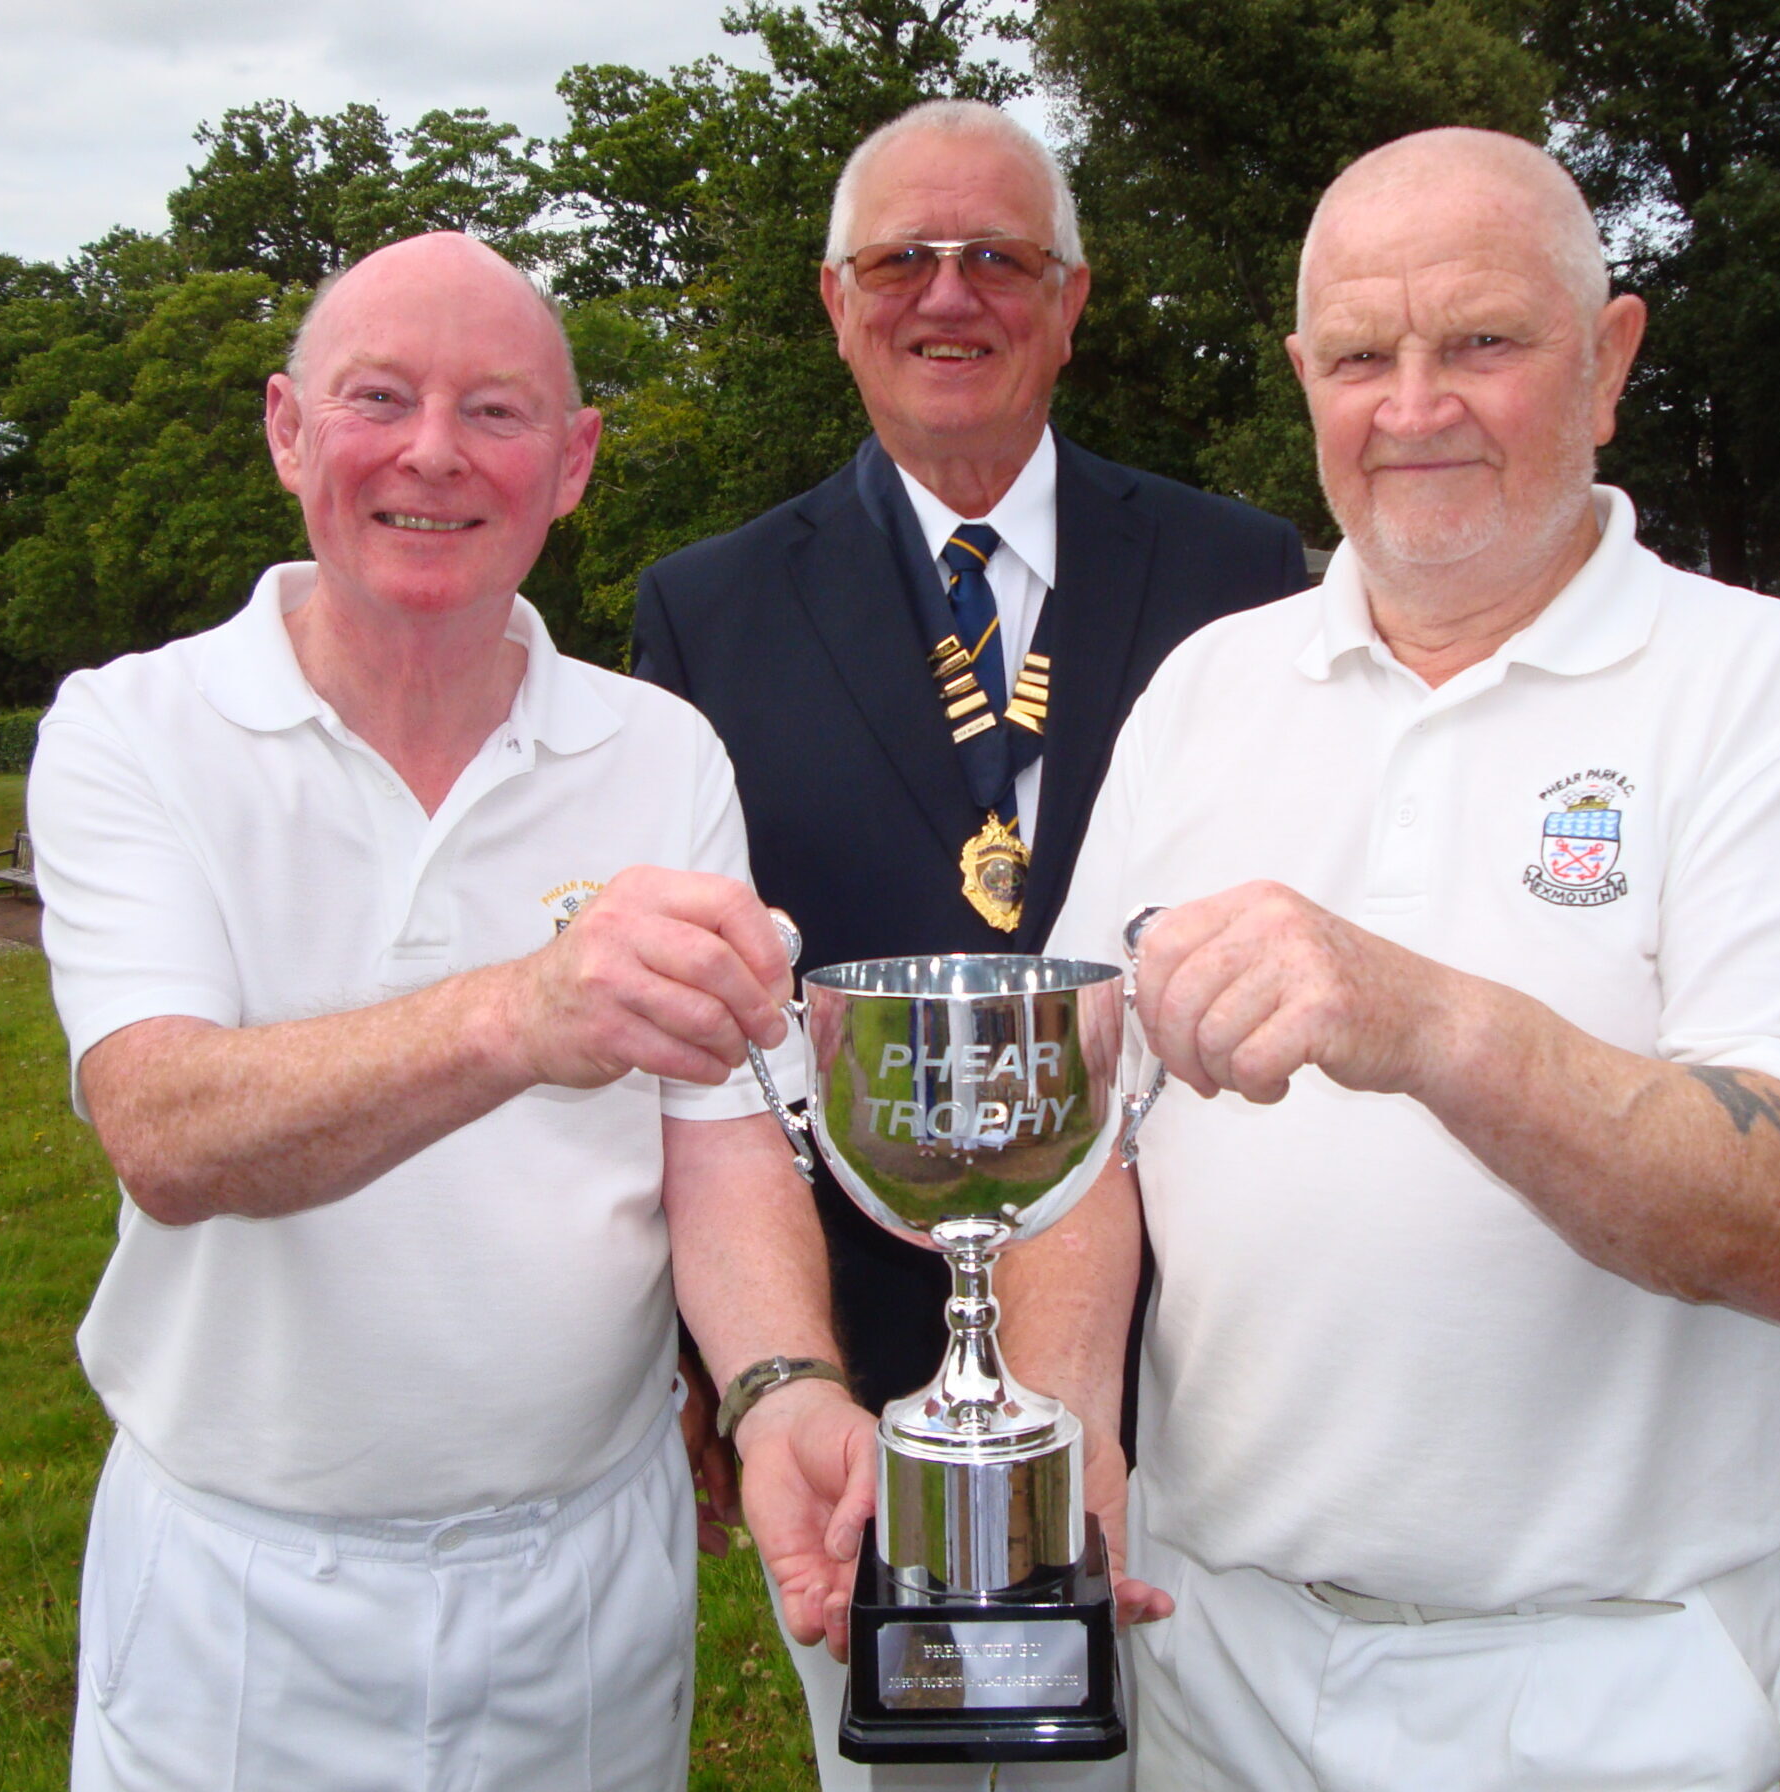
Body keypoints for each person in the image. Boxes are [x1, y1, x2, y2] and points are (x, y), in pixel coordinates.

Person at [1008, 128, 1780, 1792]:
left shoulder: (1759, 690)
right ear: (1304, 377)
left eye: (1482, 344)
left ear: (1609, 363)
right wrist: (1068, 1436)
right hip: (1213, 1652)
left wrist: (1420, 1016)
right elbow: (1077, 1117)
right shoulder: (1209, 692)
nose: (1412, 406)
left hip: (1601, 1680)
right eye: (1361, 355)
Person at [29, 231, 875, 1792]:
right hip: (243, 1595)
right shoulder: (132, 729)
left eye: (496, 412)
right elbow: (165, 1128)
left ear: (573, 463)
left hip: (589, 1586)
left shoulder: (659, 751)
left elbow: (726, 1141)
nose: (433, 453)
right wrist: (519, 1016)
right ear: (288, 429)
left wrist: (780, 1390)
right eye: (379, 398)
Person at [633, 99, 1308, 1788]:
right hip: (863, 1391)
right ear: (836, 300)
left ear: (1072, 302)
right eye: (903, 260)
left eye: (999, 257)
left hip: (1202, 1368)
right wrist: (731, 1368)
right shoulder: (705, 611)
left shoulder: (1243, 574)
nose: (952, 296)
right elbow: (696, 1028)